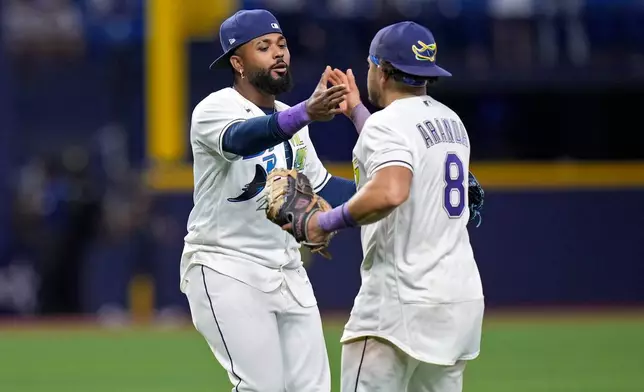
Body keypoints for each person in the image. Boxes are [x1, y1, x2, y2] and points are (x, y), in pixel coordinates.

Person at [179, 9, 356, 392]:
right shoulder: (214, 109)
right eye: (264, 47)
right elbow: (241, 140)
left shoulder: (288, 117)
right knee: (262, 388)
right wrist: (306, 112)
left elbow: (325, 188)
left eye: (282, 44)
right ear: (238, 63)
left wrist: (400, 192)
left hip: (287, 269)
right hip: (225, 265)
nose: (278, 53)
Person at [309, 21, 485, 392]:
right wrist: (357, 112)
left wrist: (326, 221)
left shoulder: (387, 125)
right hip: (458, 302)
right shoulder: (451, 121)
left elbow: (391, 191)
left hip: (399, 304)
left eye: (371, 65)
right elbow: (402, 144)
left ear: (383, 71)